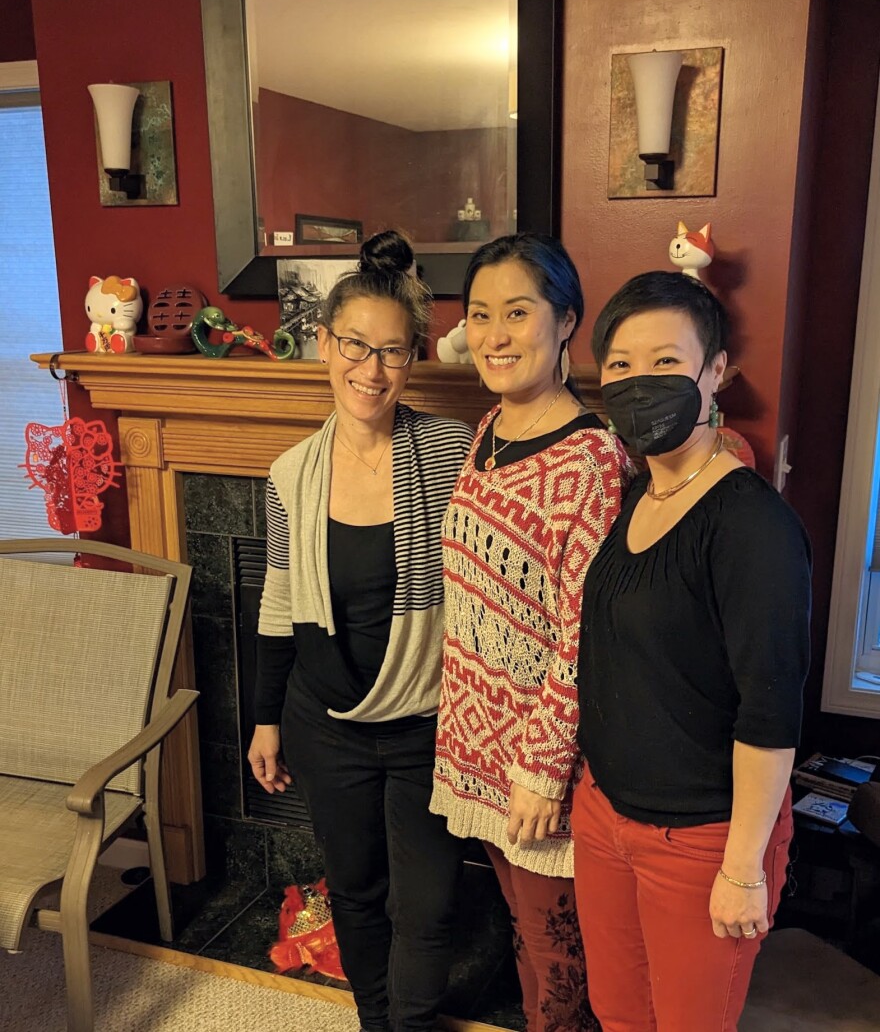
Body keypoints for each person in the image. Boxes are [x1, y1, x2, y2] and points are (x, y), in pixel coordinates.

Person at [573, 270, 812, 1031]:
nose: (640, 383)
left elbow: (771, 710)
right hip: (604, 818)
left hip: (702, 842)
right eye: (620, 366)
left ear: (715, 373)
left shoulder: (752, 528)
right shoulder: (639, 492)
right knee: (618, 1017)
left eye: (667, 363)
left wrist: (743, 869)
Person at [248, 231, 474, 1032]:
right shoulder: (288, 474)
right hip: (325, 726)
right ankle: (375, 1021)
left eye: (393, 351)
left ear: (414, 357)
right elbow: (278, 604)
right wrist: (267, 718)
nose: (370, 371)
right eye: (355, 345)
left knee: (429, 904)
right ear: (324, 343)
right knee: (354, 890)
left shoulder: (452, 453)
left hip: (426, 724)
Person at [430, 233, 631, 1032]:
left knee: (561, 960)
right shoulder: (487, 432)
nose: (495, 335)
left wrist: (543, 768)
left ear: (565, 323)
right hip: (476, 748)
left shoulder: (590, 460)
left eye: (518, 313)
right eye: (481, 315)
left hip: (538, 767)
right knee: (525, 939)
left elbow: (585, 632)